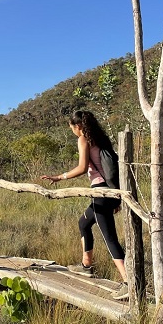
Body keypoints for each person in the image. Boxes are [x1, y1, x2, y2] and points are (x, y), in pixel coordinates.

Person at [40, 110, 129, 300]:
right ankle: (86, 266)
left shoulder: (83, 139)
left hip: (100, 192)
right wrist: (116, 198)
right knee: (84, 223)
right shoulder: (101, 139)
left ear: (77, 126)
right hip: (110, 191)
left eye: (72, 127)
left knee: (109, 237)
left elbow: (82, 168)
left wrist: (59, 177)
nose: (72, 131)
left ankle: (128, 282)